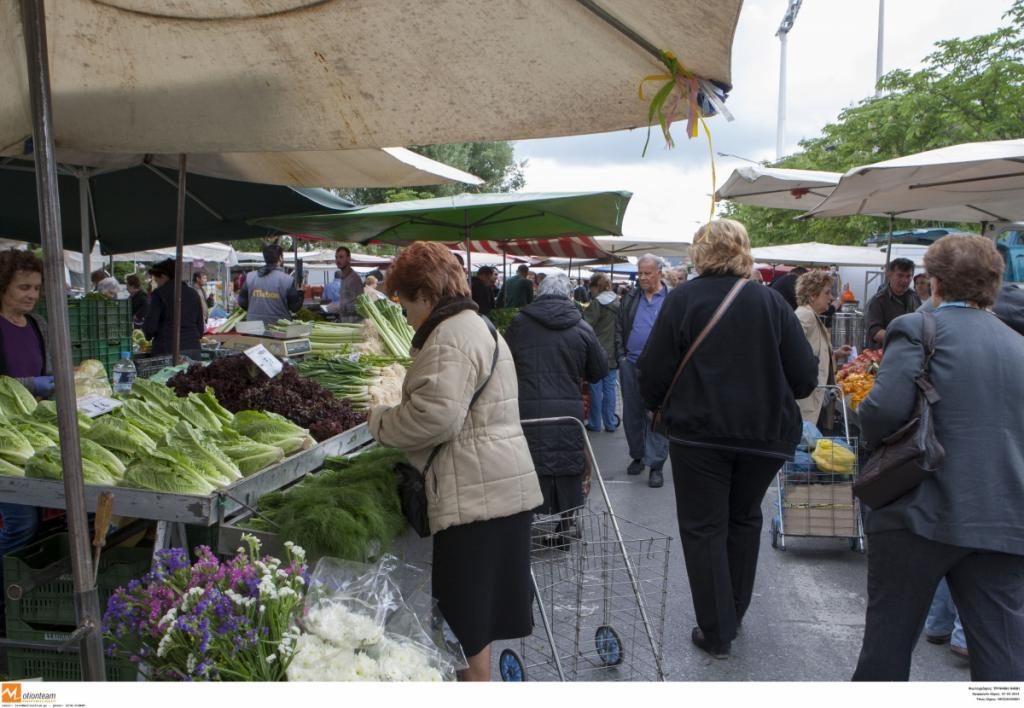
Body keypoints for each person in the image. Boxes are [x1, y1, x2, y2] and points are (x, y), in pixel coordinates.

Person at [637, 220, 817, 660]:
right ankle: (732, 612)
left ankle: (718, 628)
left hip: (700, 435)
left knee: (703, 527)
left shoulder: (682, 301)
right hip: (764, 436)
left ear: (699, 253)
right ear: (744, 251)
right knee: (743, 519)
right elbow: (805, 378)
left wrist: (664, 403)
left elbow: (652, 374)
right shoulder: (770, 302)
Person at [366, 241, 542, 682]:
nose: (405, 315)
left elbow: (434, 418)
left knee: (463, 629)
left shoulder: (450, 335)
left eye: (405, 304)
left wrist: (380, 422)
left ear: (425, 294)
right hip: (499, 489)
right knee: (477, 625)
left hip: (475, 500)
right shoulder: (476, 324)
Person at [852, 234, 1024, 682]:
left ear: (935, 283)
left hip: (919, 509)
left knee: (888, 643)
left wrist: (862, 411)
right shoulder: (1017, 344)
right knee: (1001, 653)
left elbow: (882, 412)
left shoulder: (917, 327)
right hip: (1002, 515)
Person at [506, 272, 607, 519]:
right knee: (568, 463)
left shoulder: (519, 323)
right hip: (567, 411)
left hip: (527, 408)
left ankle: (526, 522)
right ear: (569, 295)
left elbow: (503, 363)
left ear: (539, 292)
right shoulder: (582, 327)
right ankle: (566, 523)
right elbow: (599, 370)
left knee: (529, 462)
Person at [0, 250, 54, 633]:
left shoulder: (37, 325)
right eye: (23, 287)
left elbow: (48, 373)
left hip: (34, 434)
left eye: (36, 287)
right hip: (4, 440)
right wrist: (30, 386)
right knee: (19, 523)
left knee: (38, 523)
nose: (31, 294)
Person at [615, 254, 671, 488]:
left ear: (659, 272)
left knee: (657, 415)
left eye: (648, 273)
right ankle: (637, 455)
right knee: (632, 413)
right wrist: (621, 356)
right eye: (640, 273)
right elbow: (619, 327)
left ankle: (655, 465)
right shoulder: (630, 297)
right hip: (631, 363)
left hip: (660, 367)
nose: (643, 277)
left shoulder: (671, 298)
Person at [793, 271, 852, 427]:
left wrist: (835, 354)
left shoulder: (811, 315)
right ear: (813, 295)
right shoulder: (805, 315)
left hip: (813, 399)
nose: (831, 297)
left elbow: (811, 348)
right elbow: (790, 346)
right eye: (827, 292)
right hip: (806, 402)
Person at [142, 259, 205, 356]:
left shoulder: (159, 294)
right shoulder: (193, 293)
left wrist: (148, 335)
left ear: (163, 276)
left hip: (167, 349)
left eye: (156, 280)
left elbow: (150, 327)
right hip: (193, 348)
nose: (156, 283)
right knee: (193, 371)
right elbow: (200, 327)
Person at [582, 273, 620, 433]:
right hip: (614, 350)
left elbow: (586, 326)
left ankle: (595, 422)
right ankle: (610, 422)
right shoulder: (618, 302)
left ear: (596, 287)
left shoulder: (597, 303)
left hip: (597, 350)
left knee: (595, 387)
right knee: (610, 388)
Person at [237, 243, 302, 325]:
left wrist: (255, 311)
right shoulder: (288, 280)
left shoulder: (250, 277)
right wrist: (301, 294)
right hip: (279, 328)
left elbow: (242, 302)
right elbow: (294, 307)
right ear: (280, 258)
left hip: (253, 326)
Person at [865, 257, 921, 347]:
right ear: (889, 275)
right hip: (885, 354)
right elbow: (875, 332)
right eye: (900, 275)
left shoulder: (915, 297)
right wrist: (902, 339)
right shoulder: (878, 300)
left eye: (908, 276)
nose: (905, 280)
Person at [320, 246, 363, 323]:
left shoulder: (354, 279)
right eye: (336, 257)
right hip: (345, 322)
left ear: (349, 258)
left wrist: (339, 307)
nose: (338, 260)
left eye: (341, 257)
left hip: (355, 324)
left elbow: (360, 305)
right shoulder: (343, 278)